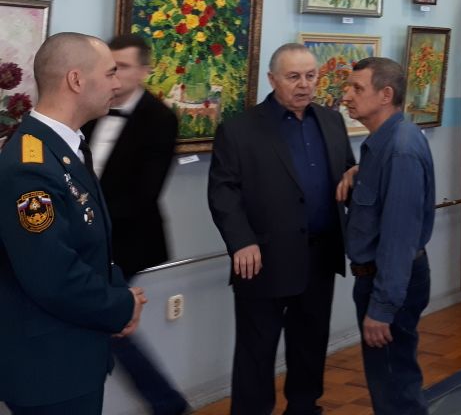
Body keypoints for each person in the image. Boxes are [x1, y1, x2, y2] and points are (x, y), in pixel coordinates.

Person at [0, 32, 146, 415]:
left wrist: (117, 291)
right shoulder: (31, 166)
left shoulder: (65, 148)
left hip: (73, 354)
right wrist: (120, 305)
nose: (118, 84)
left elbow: (90, 242)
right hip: (48, 369)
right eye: (110, 73)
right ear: (76, 80)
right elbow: (52, 274)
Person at [207, 43, 357, 415]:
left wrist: (355, 175)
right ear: (272, 79)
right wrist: (241, 242)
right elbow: (223, 192)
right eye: (293, 77)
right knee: (256, 351)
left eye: (310, 76)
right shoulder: (239, 129)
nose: (304, 84)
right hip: (262, 259)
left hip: (320, 255)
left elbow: (345, 172)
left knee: (310, 344)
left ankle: (304, 408)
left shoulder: (332, 120)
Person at [81, 33, 187, 415]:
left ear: (144, 71)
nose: (114, 74)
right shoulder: (92, 107)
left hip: (125, 242)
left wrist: (88, 221)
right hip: (85, 239)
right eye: (110, 66)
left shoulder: (160, 119)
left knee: (105, 322)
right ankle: (166, 402)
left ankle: (166, 402)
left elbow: (144, 194)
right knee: (100, 323)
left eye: (123, 67)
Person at [341, 57, 435, 415]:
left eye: (357, 88)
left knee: (395, 391)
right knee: (390, 384)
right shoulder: (388, 142)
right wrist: (358, 173)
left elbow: (398, 239)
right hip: (384, 279)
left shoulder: (399, 150)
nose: (346, 96)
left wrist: (381, 309)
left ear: (386, 95)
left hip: (389, 282)